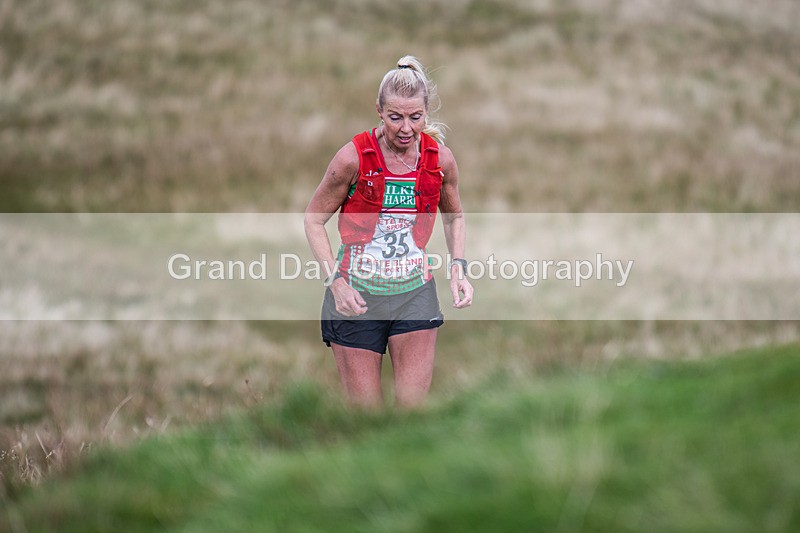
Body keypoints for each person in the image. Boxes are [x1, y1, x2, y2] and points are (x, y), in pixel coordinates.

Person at [304, 55, 473, 409]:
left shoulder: (439, 160)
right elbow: (313, 219)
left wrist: (459, 268)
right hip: (356, 298)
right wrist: (336, 283)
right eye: (395, 117)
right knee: (365, 418)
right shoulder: (353, 158)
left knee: (411, 414)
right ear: (379, 111)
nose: (406, 128)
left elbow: (454, 216)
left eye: (415, 117)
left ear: (426, 112)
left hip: (414, 294)